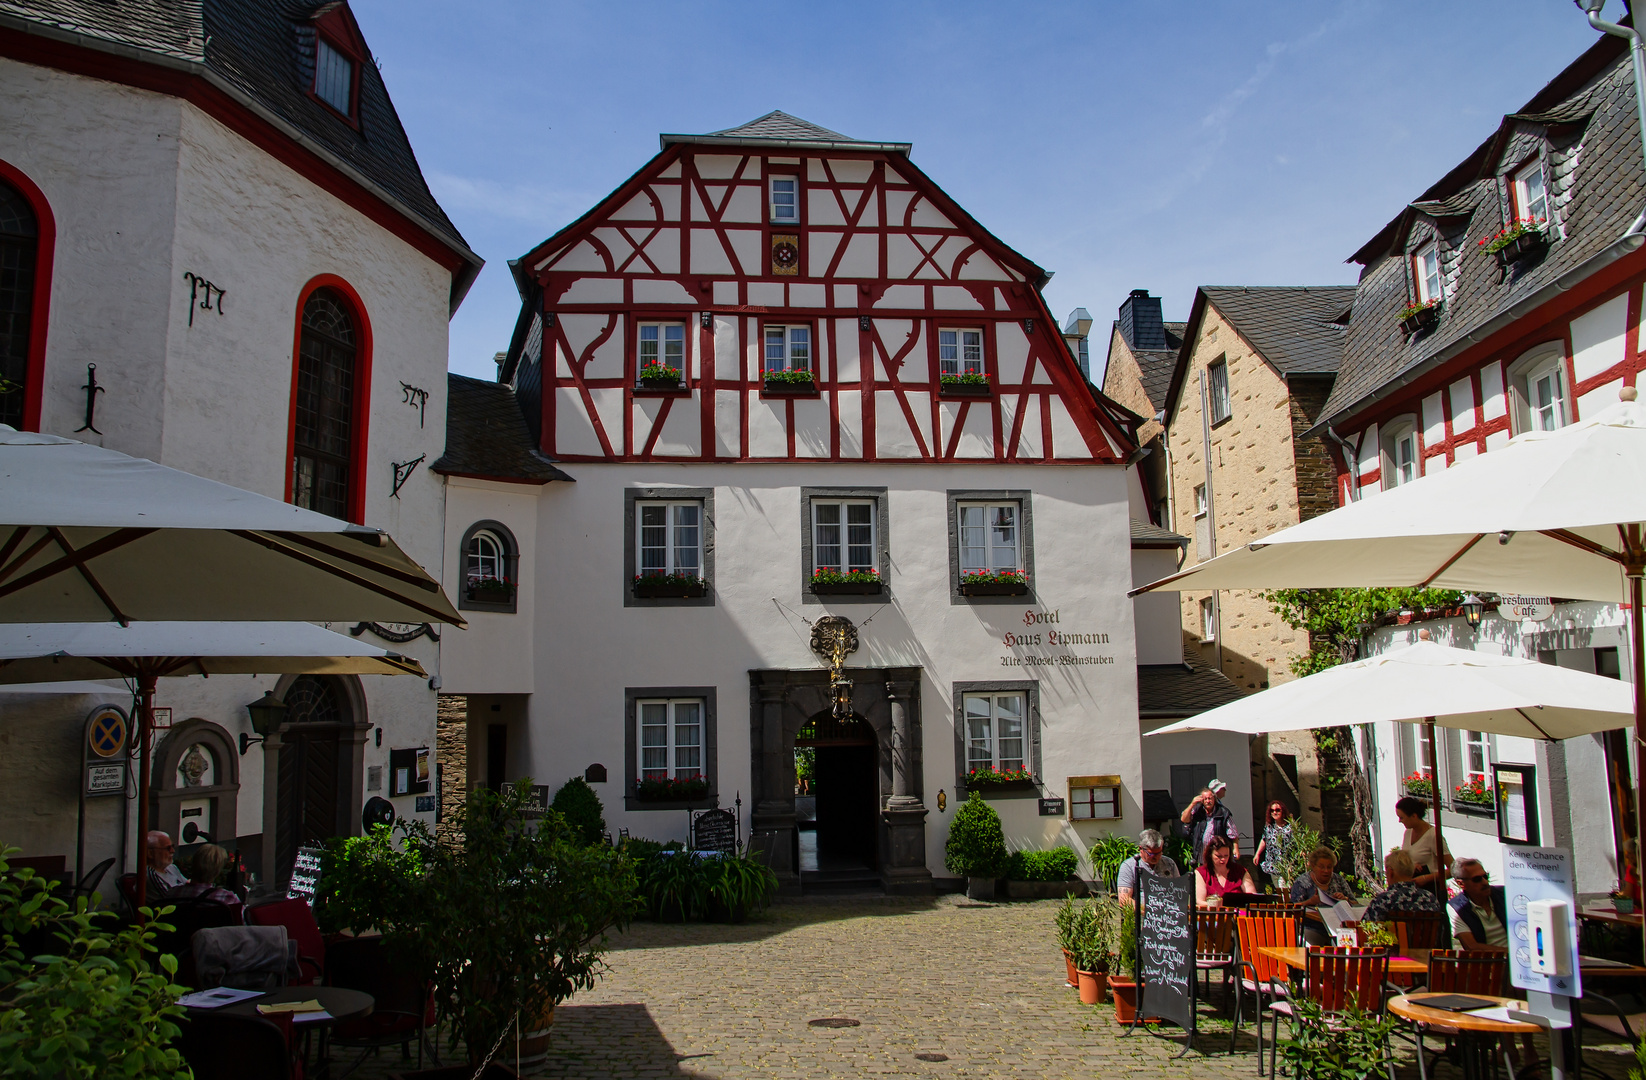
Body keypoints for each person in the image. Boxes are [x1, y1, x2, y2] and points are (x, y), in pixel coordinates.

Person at [1290, 846, 1355, 945]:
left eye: (1329, 867)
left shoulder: (1338, 880)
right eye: (1321, 867)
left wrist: (1345, 899)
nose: (1326, 870)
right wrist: (1310, 902)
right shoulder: (1302, 882)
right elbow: (1292, 909)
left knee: (1349, 942)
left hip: (1339, 928)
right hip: (1313, 927)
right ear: (1313, 866)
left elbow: (1355, 904)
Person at [1363, 848, 1444, 922]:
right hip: (1425, 938)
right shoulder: (1430, 899)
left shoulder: (1383, 901)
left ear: (1390, 872)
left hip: (1396, 938)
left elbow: (1365, 929)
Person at [1395, 796, 1451, 894]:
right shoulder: (1408, 832)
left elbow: (1452, 869)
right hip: (1412, 890)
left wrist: (1426, 878)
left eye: (1402, 817)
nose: (1400, 821)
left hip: (1431, 891)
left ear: (1414, 816)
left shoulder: (1433, 836)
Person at [167, 843, 243, 915]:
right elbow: (244, 923)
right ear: (218, 871)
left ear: (194, 863)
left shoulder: (173, 894)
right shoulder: (227, 898)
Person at [1448, 858, 1508, 950]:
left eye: (1485, 876)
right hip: (1486, 961)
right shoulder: (1457, 907)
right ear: (1461, 884)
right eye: (1477, 879)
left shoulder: (1504, 894)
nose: (1485, 882)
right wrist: (1510, 954)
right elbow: (1472, 947)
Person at [1115, 829, 1181, 906]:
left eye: (1159, 853)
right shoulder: (1128, 866)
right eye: (1151, 854)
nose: (1156, 857)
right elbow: (1124, 900)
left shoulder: (1169, 863)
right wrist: (1148, 911)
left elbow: (1179, 892)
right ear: (1141, 849)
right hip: (1142, 914)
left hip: (1168, 912)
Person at [1180, 780, 1237, 864]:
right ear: (1202, 800)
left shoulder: (1223, 812)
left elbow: (1233, 833)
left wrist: (1236, 848)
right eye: (1205, 799)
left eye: (1210, 798)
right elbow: (1184, 819)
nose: (1208, 801)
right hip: (1201, 856)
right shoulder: (1197, 810)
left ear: (1214, 798)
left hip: (1219, 856)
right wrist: (1192, 804)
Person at [1195, 835, 1256, 907]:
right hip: (1213, 915)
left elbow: (1253, 897)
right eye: (1219, 856)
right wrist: (1219, 906)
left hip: (1238, 914)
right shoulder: (1202, 872)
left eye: (1226, 855)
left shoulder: (1240, 871)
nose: (1223, 859)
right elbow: (1199, 901)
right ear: (1210, 855)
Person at [1253, 801, 1294, 889]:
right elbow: (1264, 840)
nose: (1275, 812)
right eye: (1272, 811)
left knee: (1285, 887)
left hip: (1286, 864)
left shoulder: (1290, 827)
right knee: (1278, 887)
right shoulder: (1269, 827)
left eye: (1277, 810)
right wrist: (1257, 854)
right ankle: (1282, 902)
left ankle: (1286, 902)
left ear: (1283, 811)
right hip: (1273, 863)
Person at [145, 830, 187, 899]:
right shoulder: (150, 875)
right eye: (168, 848)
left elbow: (188, 885)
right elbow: (169, 901)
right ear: (150, 853)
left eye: (172, 846)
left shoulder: (172, 868)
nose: (172, 851)